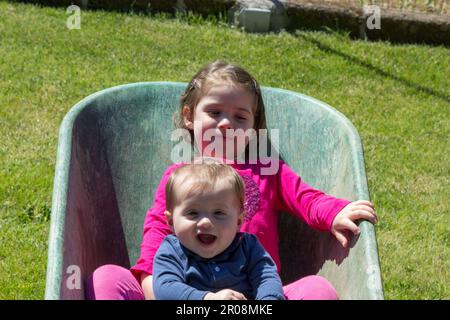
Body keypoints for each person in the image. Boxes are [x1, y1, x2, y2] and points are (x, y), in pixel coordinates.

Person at [86, 60, 377, 300]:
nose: (226, 123)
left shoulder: (267, 170)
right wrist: (153, 285)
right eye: (214, 112)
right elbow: (157, 231)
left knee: (318, 290)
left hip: (253, 298)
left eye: (240, 117)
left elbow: (305, 197)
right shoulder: (178, 178)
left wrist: (335, 211)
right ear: (189, 116)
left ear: (253, 127)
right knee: (107, 278)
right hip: (185, 296)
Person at [152, 160, 285, 300]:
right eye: (192, 213)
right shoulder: (171, 251)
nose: (205, 222)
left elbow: (266, 278)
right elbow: (165, 288)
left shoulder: (248, 246)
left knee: (308, 285)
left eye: (219, 213)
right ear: (171, 221)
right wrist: (208, 298)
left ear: (238, 221)